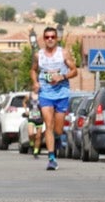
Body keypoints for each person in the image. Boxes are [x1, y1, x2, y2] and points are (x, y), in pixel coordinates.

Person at [31, 26, 77, 170]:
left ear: (57, 38)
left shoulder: (63, 53)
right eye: (47, 37)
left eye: (52, 37)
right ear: (43, 39)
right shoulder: (38, 55)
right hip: (45, 93)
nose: (50, 39)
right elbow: (33, 70)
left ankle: (57, 139)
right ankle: (51, 158)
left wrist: (62, 77)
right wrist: (35, 82)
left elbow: (74, 71)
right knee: (49, 125)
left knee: (58, 129)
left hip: (62, 94)